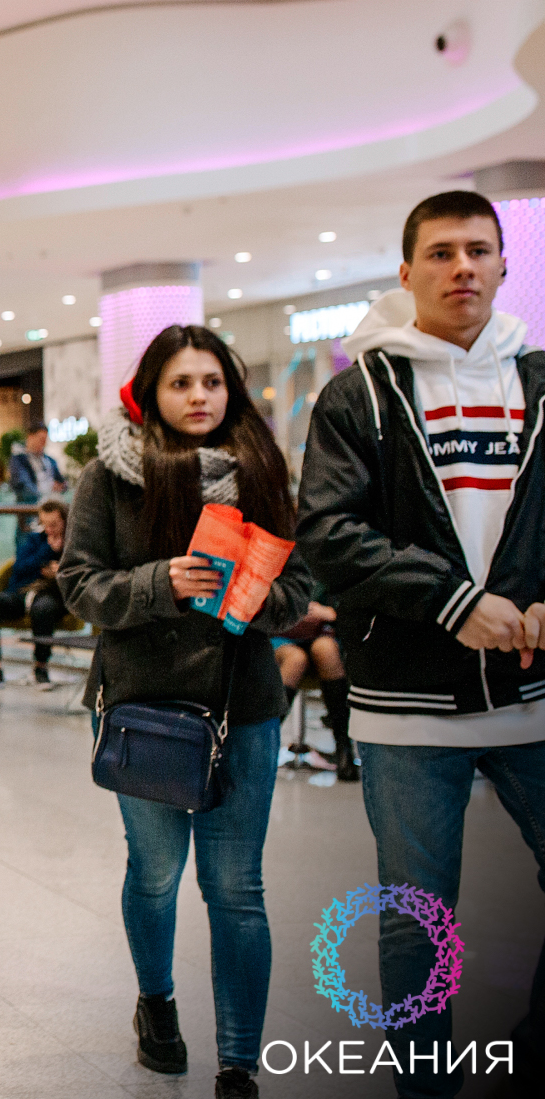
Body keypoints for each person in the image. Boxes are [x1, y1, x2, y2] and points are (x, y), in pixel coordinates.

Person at [296, 189, 545, 1098]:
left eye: (477, 250)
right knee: (417, 923)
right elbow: (328, 532)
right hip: (407, 702)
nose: (461, 268)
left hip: (532, 690)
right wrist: (451, 602)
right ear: (407, 273)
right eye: (440, 253)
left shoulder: (538, 381)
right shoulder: (360, 391)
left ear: (505, 264)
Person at [58, 324, 310, 1099]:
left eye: (211, 381)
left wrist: (257, 598)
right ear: (151, 392)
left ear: (231, 388)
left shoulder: (262, 469)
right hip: (145, 707)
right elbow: (78, 584)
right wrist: (158, 584)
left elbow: (301, 590)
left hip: (244, 709)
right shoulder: (110, 474)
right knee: (156, 874)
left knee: (237, 889)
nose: (198, 396)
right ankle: (156, 1003)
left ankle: (239, 1063)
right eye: (180, 383)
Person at [0, 500, 69, 688]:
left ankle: (41, 667)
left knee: (43, 608)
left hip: (52, 595)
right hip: (22, 593)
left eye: (54, 524)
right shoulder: (35, 539)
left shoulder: (72, 543)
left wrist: (60, 572)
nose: (49, 529)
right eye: (45, 524)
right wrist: (47, 552)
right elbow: (19, 567)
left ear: (64, 521)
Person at [270, 591, 356, 781]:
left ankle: (344, 749)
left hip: (322, 634)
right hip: (280, 634)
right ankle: (266, 744)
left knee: (327, 651)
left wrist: (330, 613)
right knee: (296, 660)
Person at [9, 424, 65, 503]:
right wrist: (47, 490)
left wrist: (61, 486)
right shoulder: (19, 460)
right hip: (31, 504)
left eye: (45, 440)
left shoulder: (50, 460)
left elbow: (62, 482)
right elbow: (22, 484)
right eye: (41, 439)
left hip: (51, 502)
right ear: (30, 437)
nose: (43, 443)